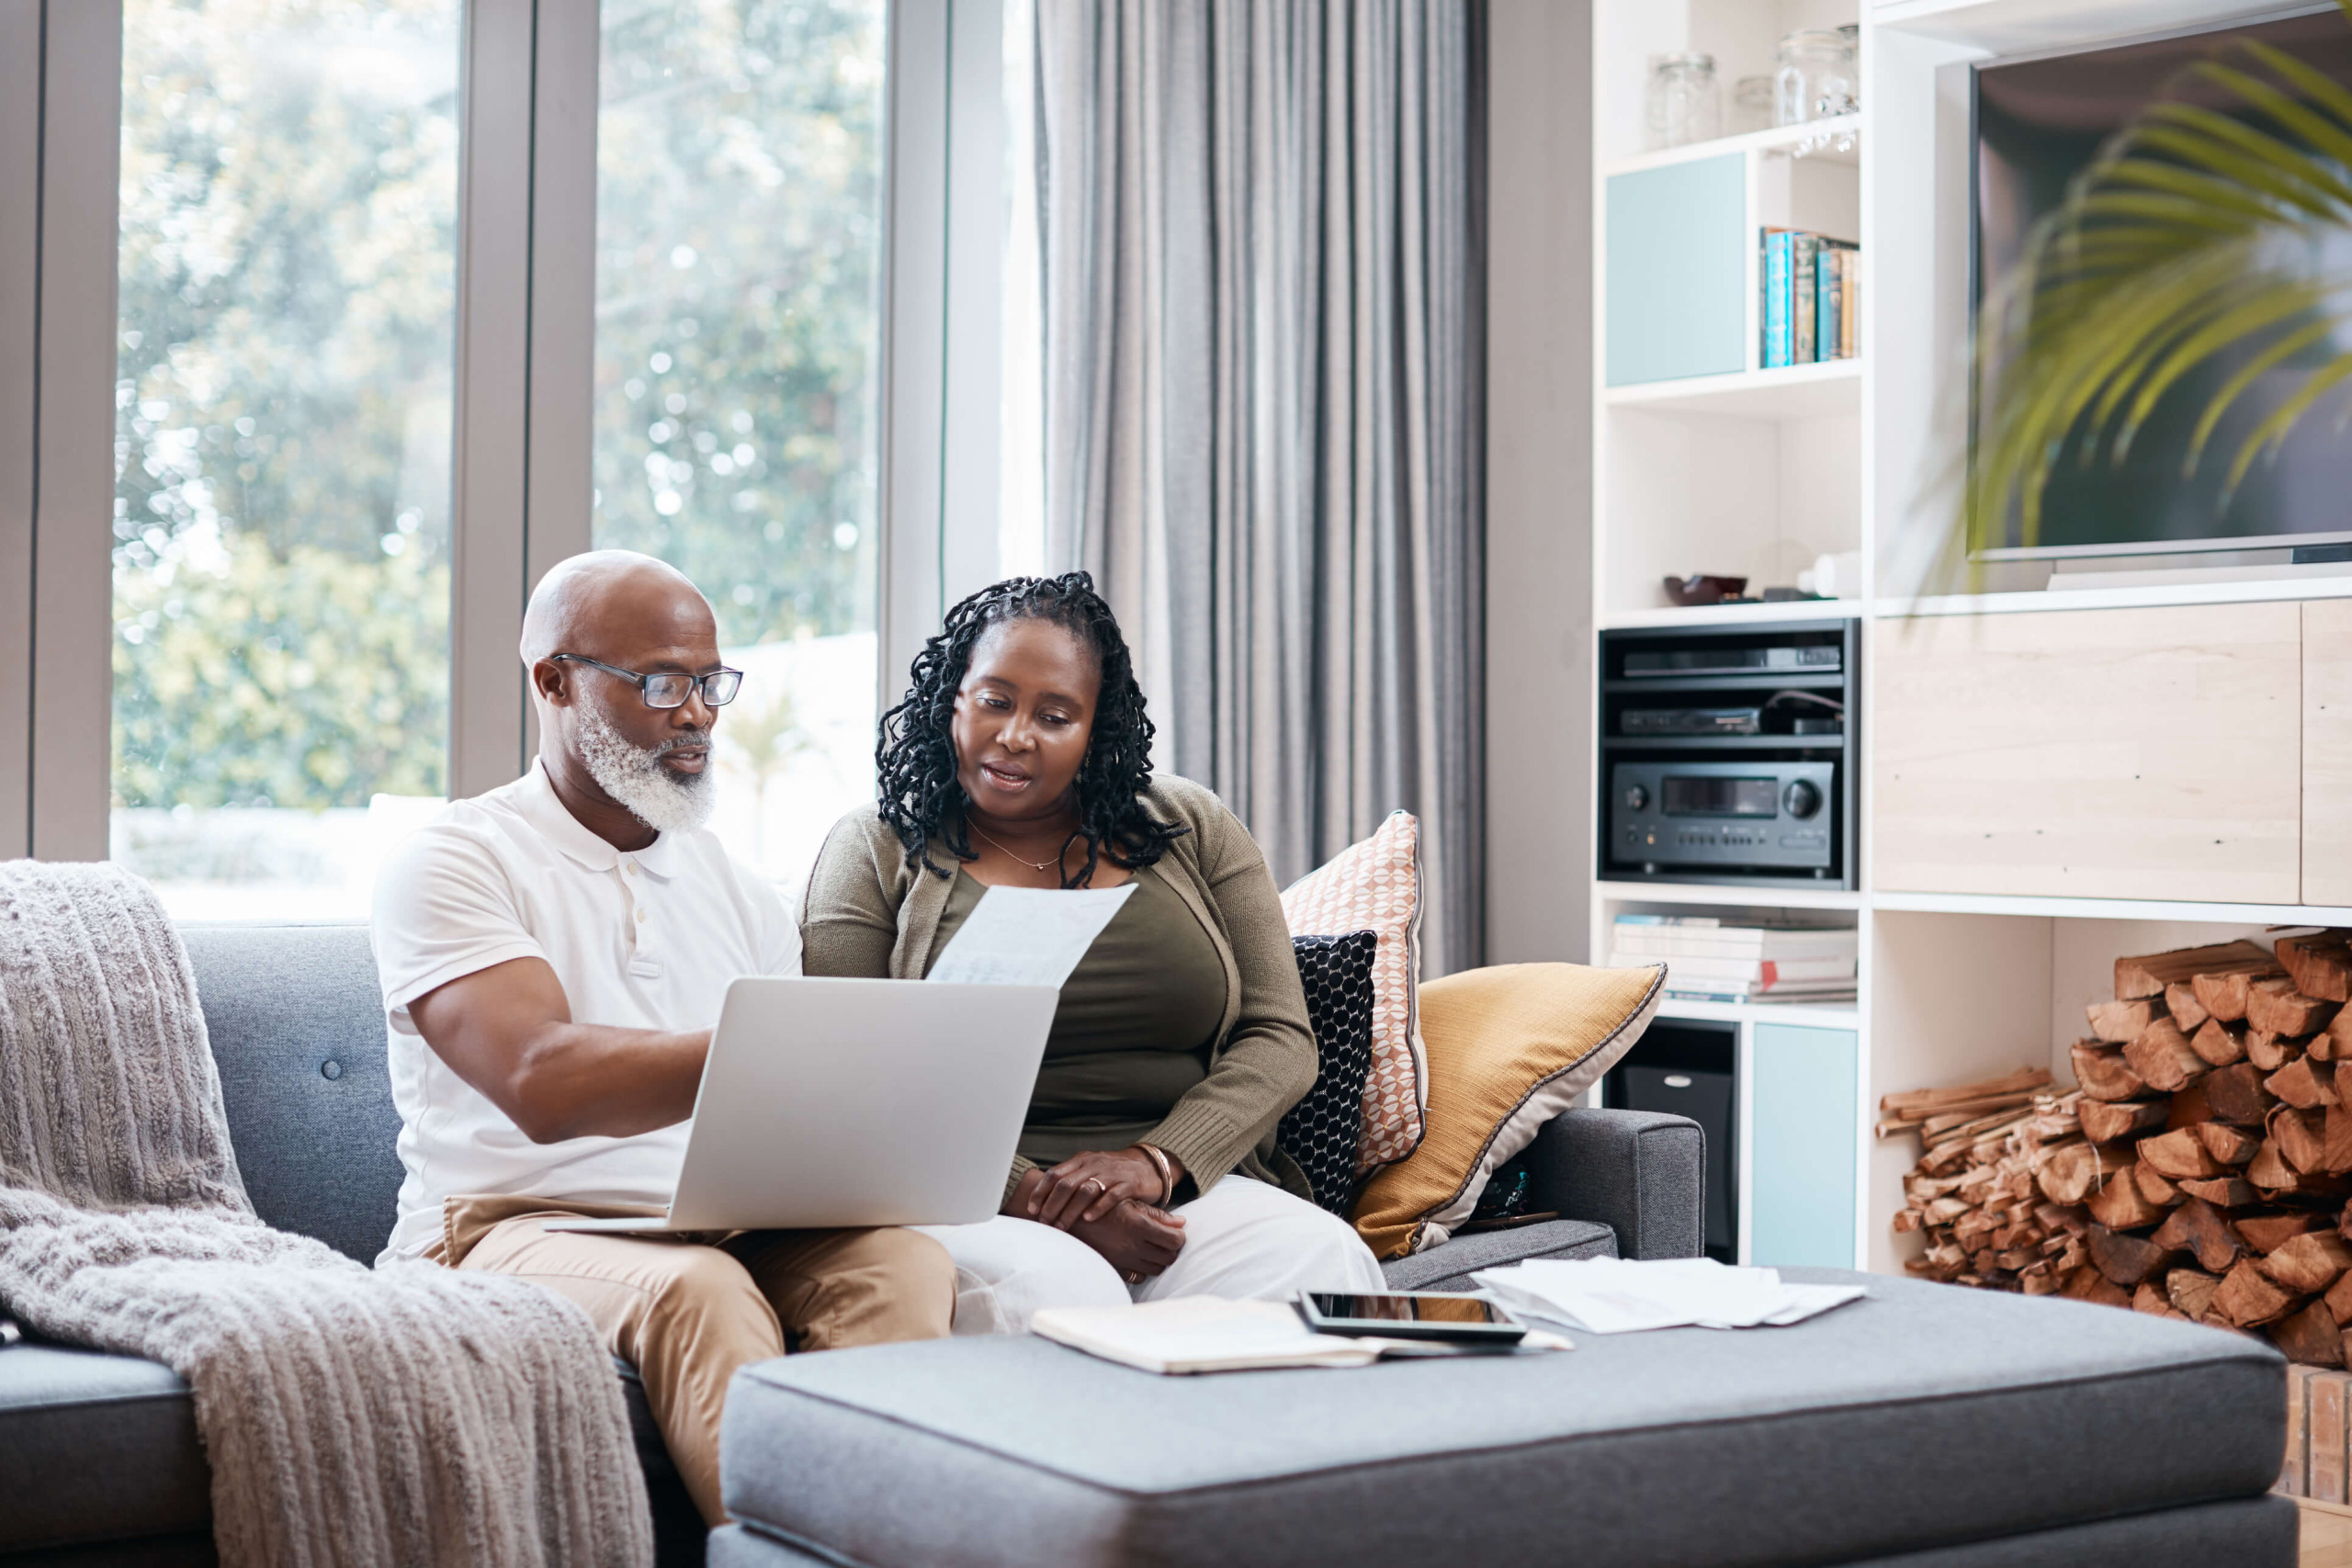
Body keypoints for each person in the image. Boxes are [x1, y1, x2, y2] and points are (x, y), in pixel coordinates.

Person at [369, 549, 954, 1527]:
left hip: (715, 1216)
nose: (696, 715)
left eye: (710, 682)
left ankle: (872, 1544)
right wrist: (782, 1048)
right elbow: (539, 1080)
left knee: (902, 1263)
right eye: (660, 683)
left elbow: (785, 1114)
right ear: (553, 681)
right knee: (702, 1293)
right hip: (505, 1226)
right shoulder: (454, 859)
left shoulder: (731, 886)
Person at [801, 571, 1385, 1333]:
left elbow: (1280, 1036)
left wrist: (1157, 1162)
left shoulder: (1190, 824)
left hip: (1181, 1188)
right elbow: (851, 1069)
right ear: (954, 698)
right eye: (995, 700)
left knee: (1322, 1260)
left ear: (1094, 730)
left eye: (1055, 714)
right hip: (966, 1195)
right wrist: (1040, 1196)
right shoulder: (874, 847)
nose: (1016, 735)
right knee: (1057, 1294)